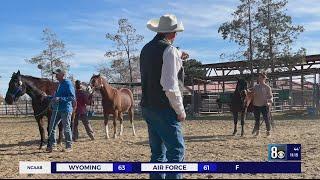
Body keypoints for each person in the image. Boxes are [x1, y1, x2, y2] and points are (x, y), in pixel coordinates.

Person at [140, 14, 189, 179]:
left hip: (148, 106)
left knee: (157, 154)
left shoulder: (146, 49)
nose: (176, 36)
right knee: (176, 152)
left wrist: (178, 53)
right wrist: (180, 110)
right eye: (175, 33)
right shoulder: (169, 50)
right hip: (163, 108)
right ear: (172, 34)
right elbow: (170, 86)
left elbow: (158, 64)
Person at [46, 69, 76, 153]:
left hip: (65, 109)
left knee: (66, 127)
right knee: (51, 127)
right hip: (56, 109)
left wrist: (60, 99)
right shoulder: (59, 84)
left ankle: (69, 146)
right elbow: (56, 96)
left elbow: (72, 97)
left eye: (57, 74)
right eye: (55, 74)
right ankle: (53, 145)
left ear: (62, 74)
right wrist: (50, 97)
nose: (55, 76)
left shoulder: (68, 83)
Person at [251, 72, 273, 137]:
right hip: (256, 105)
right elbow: (251, 93)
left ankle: (268, 132)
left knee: (266, 119)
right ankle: (258, 132)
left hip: (264, 105)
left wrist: (269, 103)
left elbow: (271, 97)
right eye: (259, 77)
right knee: (257, 120)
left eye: (260, 78)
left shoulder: (267, 87)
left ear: (264, 79)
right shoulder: (255, 86)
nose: (259, 79)